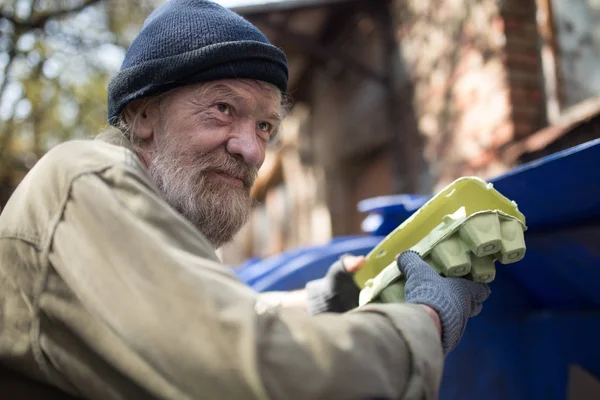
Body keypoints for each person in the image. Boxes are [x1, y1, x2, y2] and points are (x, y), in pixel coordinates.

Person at [0, 1, 490, 399]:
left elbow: (204, 324)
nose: (252, 150)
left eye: (265, 125)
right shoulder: (87, 181)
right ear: (144, 115)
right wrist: (423, 321)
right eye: (221, 108)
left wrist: (318, 303)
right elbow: (252, 376)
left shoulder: (145, 210)